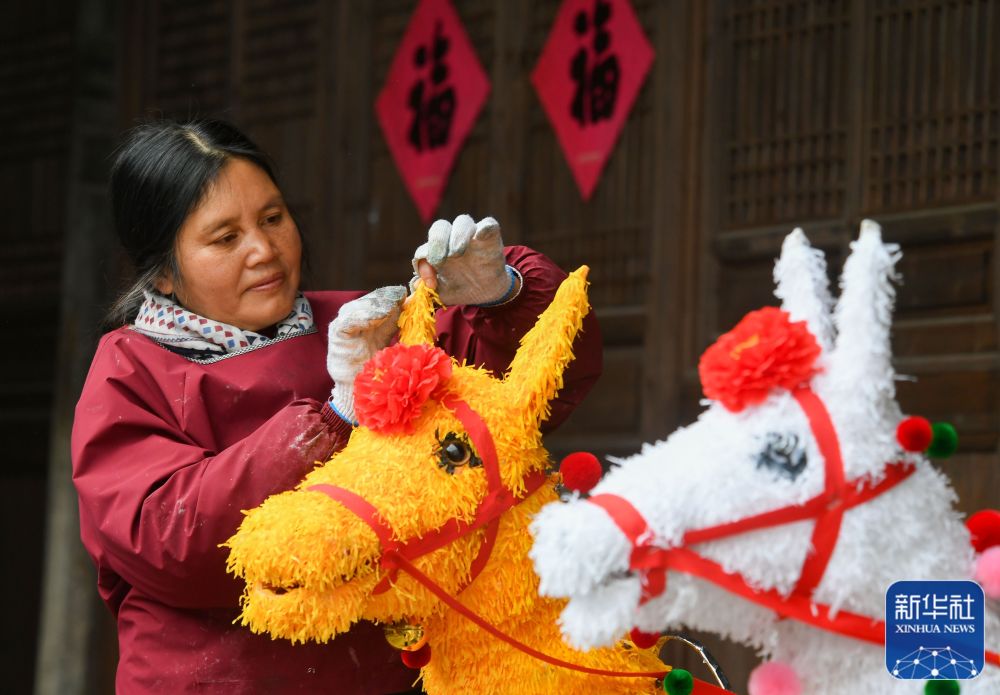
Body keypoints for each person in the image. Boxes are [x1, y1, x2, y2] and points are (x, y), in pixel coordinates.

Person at [71, 119, 602, 694]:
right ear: (162, 274)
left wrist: (502, 296)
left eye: (273, 218)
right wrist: (337, 417)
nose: (264, 250)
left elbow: (514, 407)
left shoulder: (361, 322)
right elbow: (168, 542)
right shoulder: (131, 369)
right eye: (225, 238)